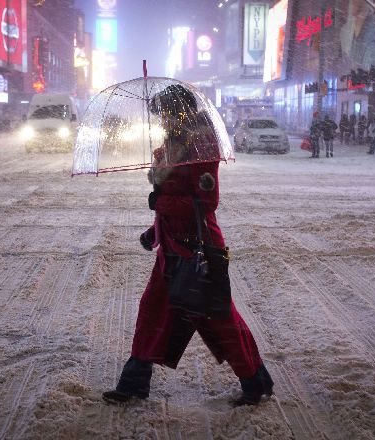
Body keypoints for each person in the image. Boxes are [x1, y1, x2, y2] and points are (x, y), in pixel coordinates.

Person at [102, 84, 274, 407]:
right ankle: (133, 382)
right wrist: (154, 233)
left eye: (163, 115)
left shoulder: (201, 147)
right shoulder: (171, 146)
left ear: (178, 113)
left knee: (221, 321)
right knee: (151, 312)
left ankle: (254, 381)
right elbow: (170, 204)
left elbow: (206, 202)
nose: (160, 122)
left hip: (200, 251)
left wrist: (161, 201)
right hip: (170, 254)